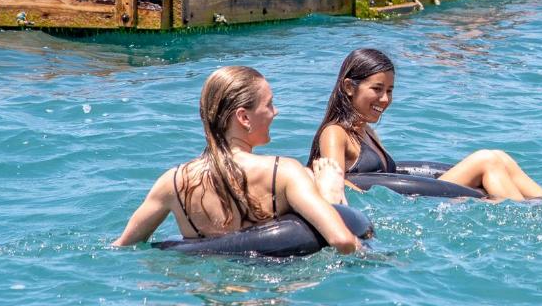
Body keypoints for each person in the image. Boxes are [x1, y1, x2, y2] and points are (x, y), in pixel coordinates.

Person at [113, 66, 360, 254]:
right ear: (243, 117)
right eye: (269, 104)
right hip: (268, 301)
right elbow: (342, 240)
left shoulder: (173, 183)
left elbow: (123, 247)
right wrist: (333, 195)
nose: (275, 112)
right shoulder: (285, 173)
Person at [308, 48, 542, 202]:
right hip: (402, 203)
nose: (385, 99)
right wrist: (384, 200)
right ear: (349, 87)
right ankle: (527, 214)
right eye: (377, 89)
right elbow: (332, 181)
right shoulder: (335, 133)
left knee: (499, 157)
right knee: (487, 160)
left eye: (390, 91)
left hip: (406, 198)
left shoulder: (365, 131)